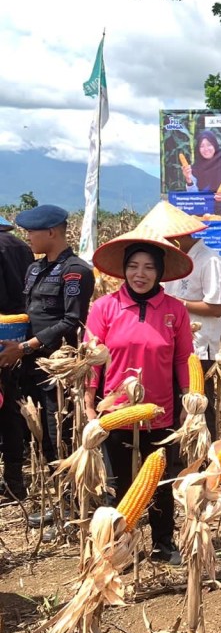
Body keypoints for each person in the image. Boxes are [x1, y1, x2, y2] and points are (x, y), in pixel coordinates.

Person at [86, 230, 195, 564]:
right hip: (115, 412)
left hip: (160, 411)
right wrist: (89, 403)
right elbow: (92, 358)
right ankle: (122, 546)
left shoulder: (175, 310)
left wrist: (189, 401)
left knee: (160, 481)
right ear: (124, 270)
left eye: (149, 267)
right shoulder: (104, 308)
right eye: (133, 266)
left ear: (159, 272)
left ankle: (164, 542)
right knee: (121, 484)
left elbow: (183, 359)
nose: (141, 273)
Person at [0, 205, 95, 530]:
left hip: (59, 369)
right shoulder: (34, 269)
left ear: (52, 232)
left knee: (61, 438)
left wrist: (26, 346)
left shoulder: (75, 271)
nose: (27, 238)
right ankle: (58, 503)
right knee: (41, 439)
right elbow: (29, 312)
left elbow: (72, 321)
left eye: (32, 232)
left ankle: (72, 509)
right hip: (28, 367)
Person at [148, 202, 221, 440]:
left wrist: (176, 303)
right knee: (175, 406)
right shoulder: (171, 260)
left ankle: (204, 463)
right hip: (173, 345)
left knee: (201, 407)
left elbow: (215, 307)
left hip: (200, 349)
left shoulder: (209, 260)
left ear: (180, 236)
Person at [0, 213, 34, 500]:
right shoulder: (21, 246)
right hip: (19, 335)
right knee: (10, 405)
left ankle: (12, 480)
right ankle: (15, 480)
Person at [183, 129, 221, 217]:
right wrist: (188, 179)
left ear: (215, 145)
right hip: (200, 215)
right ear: (198, 149)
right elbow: (193, 198)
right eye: (202, 146)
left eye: (209, 145)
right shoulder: (193, 168)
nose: (206, 149)